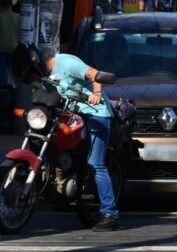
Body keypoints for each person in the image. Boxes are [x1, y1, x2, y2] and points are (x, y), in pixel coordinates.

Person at [14, 46, 120, 232]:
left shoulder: (67, 63)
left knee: (95, 163)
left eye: (31, 74)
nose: (32, 79)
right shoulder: (43, 76)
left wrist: (96, 95)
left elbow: (95, 74)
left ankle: (110, 214)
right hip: (71, 114)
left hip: (95, 112)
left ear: (37, 63)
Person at [0, 0, 19, 133]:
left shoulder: (0, 17)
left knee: (3, 82)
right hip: (15, 52)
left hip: (1, 52)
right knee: (14, 80)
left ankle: (5, 108)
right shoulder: (18, 17)